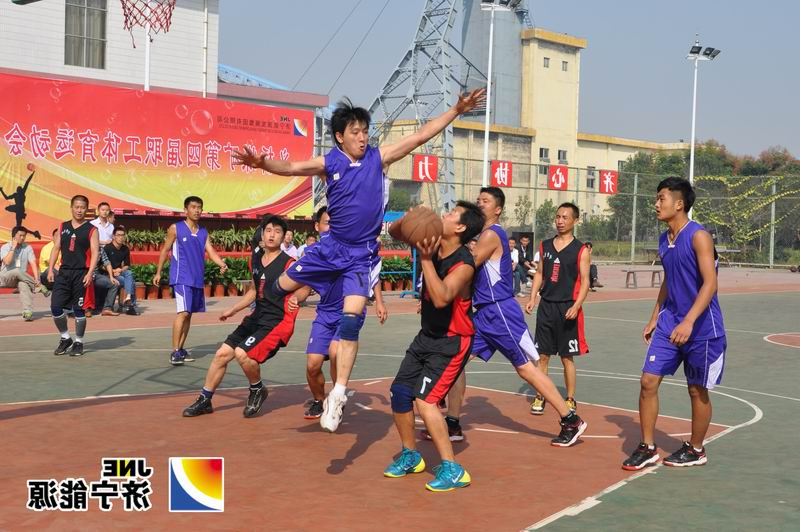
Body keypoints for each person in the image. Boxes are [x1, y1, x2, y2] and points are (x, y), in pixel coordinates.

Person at [233, 88, 486, 433]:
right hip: (329, 249)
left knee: (350, 322)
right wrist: (262, 164)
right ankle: (267, 336)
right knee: (276, 289)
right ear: (340, 136)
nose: (363, 138)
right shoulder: (330, 163)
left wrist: (456, 109)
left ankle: (338, 394)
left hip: (359, 254)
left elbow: (420, 136)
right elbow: (291, 167)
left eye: (365, 131)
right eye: (355, 132)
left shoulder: (378, 158)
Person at [433, 188, 587, 447]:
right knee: (455, 360)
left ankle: (570, 419)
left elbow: (466, 264)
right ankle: (453, 422)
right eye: (478, 200)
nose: (479, 204)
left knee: (526, 369)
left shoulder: (492, 234)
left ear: (498, 210)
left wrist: (440, 243)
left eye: (485, 201)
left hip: (500, 311)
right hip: (484, 314)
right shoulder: (480, 235)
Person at [623, 177, 727, 470]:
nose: (656, 204)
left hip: (702, 326)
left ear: (679, 204)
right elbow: (669, 280)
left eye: (662, 199)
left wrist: (689, 321)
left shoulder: (698, 236)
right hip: (670, 322)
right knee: (648, 382)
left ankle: (696, 449)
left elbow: (710, 284)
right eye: (657, 199)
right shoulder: (664, 240)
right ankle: (647, 447)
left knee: (696, 390)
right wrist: (654, 316)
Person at [383, 201, 483, 492]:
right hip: (427, 336)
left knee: (426, 400)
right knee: (400, 393)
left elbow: (441, 298)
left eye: (451, 214)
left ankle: (453, 470)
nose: (444, 214)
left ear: (460, 227)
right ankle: (411, 456)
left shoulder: (464, 263)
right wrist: (411, 217)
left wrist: (426, 260)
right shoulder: (432, 240)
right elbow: (395, 232)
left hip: (453, 341)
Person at [182, 215, 310, 418]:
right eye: (269, 230)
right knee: (221, 354)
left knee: (243, 354)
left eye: (277, 232)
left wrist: (297, 297)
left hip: (276, 322)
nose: (272, 235)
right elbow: (254, 290)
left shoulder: (289, 263)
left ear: (284, 236)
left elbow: (305, 286)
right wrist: (233, 309)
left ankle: (257, 389)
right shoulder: (256, 260)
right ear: (263, 234)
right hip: (257, 317)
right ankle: (205, 400)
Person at [303, 207, 388, 419]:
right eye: (327, 224)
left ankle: (336, 400)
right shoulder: (314, 252)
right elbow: (303, 282)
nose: (331, 228)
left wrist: (379, 302)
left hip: (349, 313)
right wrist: (295, 297)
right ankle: (319, 400)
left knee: (335, 352)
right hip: (324, 313)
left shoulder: (355, 248)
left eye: (335, 224)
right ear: (317, 226)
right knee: (312, 365)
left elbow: (372, 274)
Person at [525, 203, 591, 415]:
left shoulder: (581, 250)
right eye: (558, 217)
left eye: (565, 217)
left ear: (575, 221)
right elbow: (539, 273)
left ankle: (570, 399)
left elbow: (586, 281)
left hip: (567, 308)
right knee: (542, 356)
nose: (560, 221)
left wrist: (576, 305)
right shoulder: (545, 245)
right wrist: (532, 297)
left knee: (566, 357)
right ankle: (540, 395)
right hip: (546, 307)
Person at [153, 196, 228, 366]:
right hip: (181, 277)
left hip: (197, 278)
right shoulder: (176, 228)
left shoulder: (203, 232)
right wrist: (158, 272)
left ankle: (180, 349)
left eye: (199, 207)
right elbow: (165, 250)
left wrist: (221, 264)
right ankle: (174, 351)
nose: (197, 210)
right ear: (185, 210)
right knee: (183, 313)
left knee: (189, 315)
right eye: (193, 207)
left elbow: (211, 251)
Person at [47, 195, 99, 356]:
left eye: (82, 207)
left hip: (81, 274)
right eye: (76, 207)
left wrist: (90, 273)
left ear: (86, 209)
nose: (79, 210)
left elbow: (96, 252)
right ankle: (65, 338)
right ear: (71, 208)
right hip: (64, 273)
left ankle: (79, 342)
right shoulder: (63, 226)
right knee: (55, 307)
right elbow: (56, 248)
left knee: (79, 310)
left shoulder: (92, 229)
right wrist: (50, 269)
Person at [1, 226, 49, 321]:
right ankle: (38, 287)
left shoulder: (27, 248)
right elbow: (7, 262)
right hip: (5, 278)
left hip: (20, 278)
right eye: (20, 235)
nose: (22, 238)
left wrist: (37, 279)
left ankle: (27, 312)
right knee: (17, 271)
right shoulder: (5, 247)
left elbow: (33, 263)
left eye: (24, 236)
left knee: (23, 284)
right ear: (14, 236)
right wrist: (13, 248)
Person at [95, 226, 137, 315]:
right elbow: (101, 266)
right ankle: (130, 306)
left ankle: (128, 298)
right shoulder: (107, 248)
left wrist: (120, 270)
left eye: (123, 235)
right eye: (118, 235)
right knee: (131, 282)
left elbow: (127, 265)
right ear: (113, 236)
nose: (121, 237)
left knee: (129, 273)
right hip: (107, 274)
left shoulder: (125, 249)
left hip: (119, 273)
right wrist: (113, 271)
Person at [1, 170, 41, 239]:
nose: (19, 189)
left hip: (19, 209)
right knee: (18, 226)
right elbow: (27, 182)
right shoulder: (20, 193)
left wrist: (1, 190)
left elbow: (27, 182)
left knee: (18, 226)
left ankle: (34, 233)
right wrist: (1, 190)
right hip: (19, 209)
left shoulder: (19, 193)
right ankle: (34, 233)